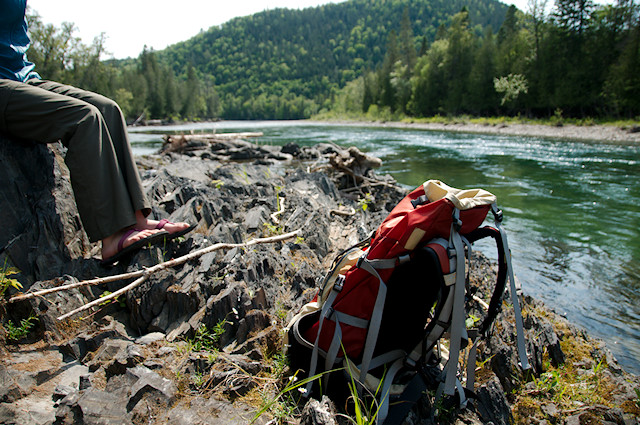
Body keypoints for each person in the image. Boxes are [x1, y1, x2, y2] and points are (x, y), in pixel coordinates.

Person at [0, 0, 194, 265]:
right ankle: (111, 236)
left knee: (108, 109)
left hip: (23, 77)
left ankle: (137, 220)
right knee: (84, 118)